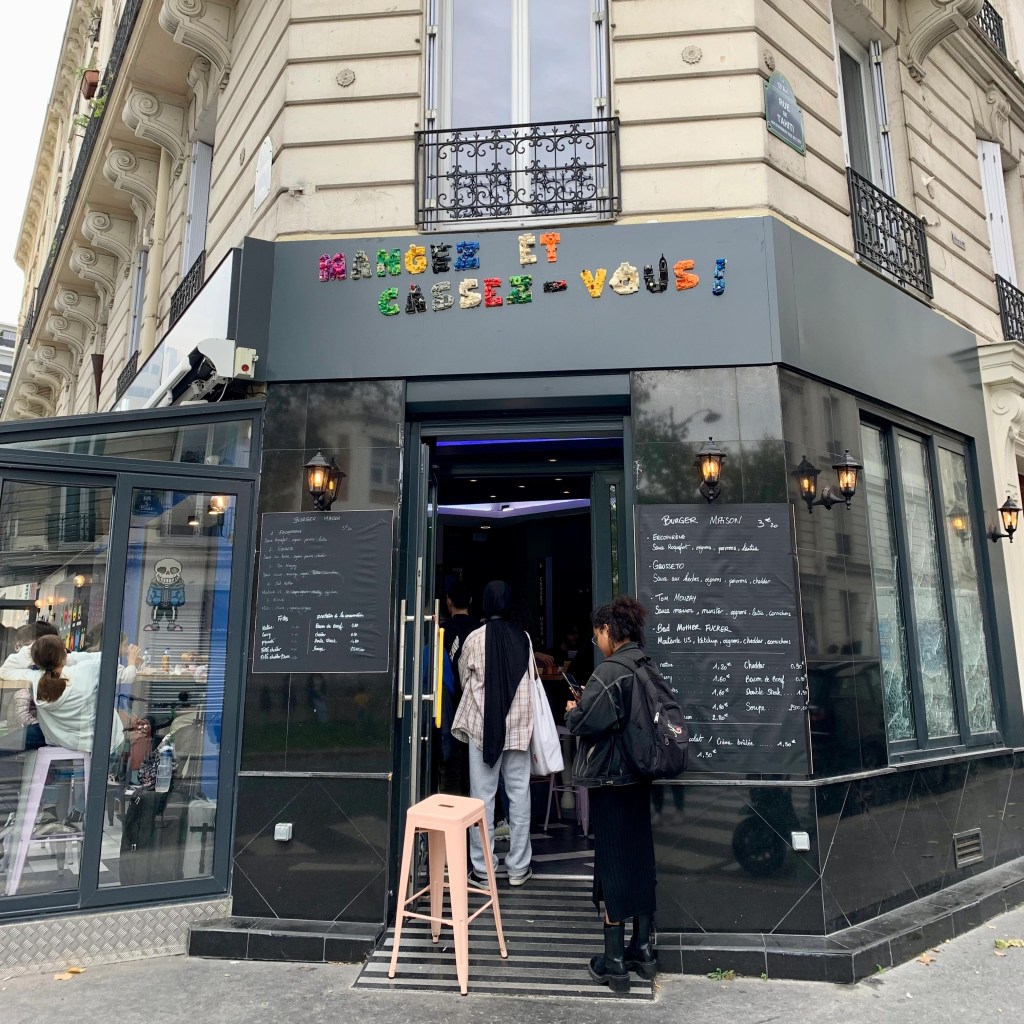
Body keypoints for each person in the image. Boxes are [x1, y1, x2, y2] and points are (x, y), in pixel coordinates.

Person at [565, 596, 657, 994]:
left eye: (597, 634)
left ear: (607, 630)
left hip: (612, 780)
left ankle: (615, 961)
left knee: (613, 864)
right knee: (640, 859)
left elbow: (585, 720)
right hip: (640, 776)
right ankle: (644, 950)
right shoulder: (646, 665)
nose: (596, 641)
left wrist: (573, 708)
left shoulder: (611, 670)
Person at [451, 580, 534, 886]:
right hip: (518, 727)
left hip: (484, 728)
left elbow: (463, 678)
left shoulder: (474, 638)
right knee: (519, 794)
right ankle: (518, 867)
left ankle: (484, 870)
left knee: (481, 798)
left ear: (485, 604)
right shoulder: (523, 637)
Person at [438, 581, 477, 795]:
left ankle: (454, 798)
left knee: (453, 755)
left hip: (450, 701)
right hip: (476, 700)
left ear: (449, 602)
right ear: (470, 601)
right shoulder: (480, 630)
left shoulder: (442, 631)